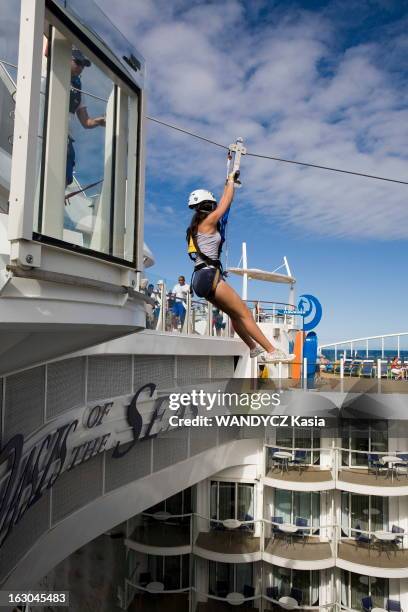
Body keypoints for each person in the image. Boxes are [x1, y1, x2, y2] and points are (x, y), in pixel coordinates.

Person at [187, 171, 295, 362]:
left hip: (200, 279)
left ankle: (253, 348)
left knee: (234, 315)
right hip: (208, 276)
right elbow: (225, 203)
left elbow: (223, 203)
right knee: (245, 313)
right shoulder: (208, 222)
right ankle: (271, 351)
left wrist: (228, 184)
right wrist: (230, 182)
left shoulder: (195, 228)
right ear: (208, 205)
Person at [66, 49, 106, 186]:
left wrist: (99, 121)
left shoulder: (78, 89)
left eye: (83, 65)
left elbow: (86, 122)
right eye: (78, 63)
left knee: (66, 175)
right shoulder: (48, 73)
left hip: (66, 138)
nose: (81, 68)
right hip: (43, 132)